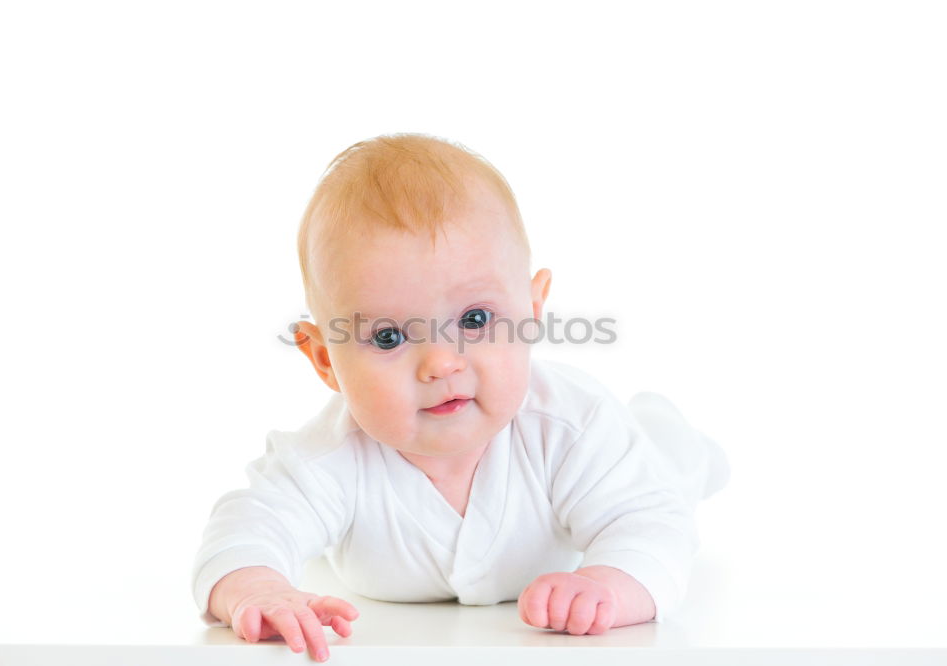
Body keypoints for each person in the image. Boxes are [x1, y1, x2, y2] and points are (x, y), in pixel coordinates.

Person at [191, 132, 730, 662]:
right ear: (326, 359)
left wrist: (610, 584)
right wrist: (256, 588)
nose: (441, 363)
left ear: (532, 311)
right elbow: (247, 527)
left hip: (639, 459)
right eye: (388, 337)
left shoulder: (572, 426)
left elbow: (648, 522)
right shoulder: (328, 458)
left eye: (474, 320)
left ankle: (674, 439)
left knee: (666, 474)